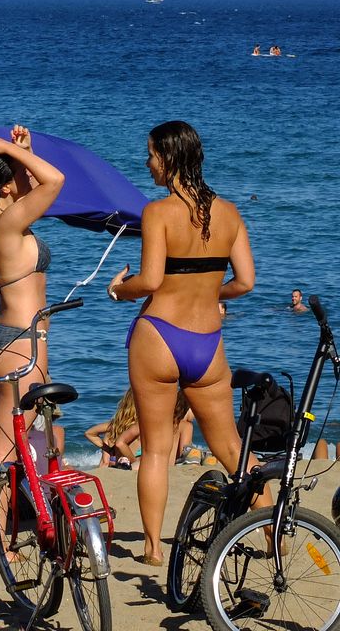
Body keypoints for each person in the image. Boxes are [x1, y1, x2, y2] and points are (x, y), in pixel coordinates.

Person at [106, 120, 270, 566]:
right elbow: (247, 282)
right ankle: (273, 528)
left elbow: (153, 280)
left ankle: (154, 549)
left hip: (159, 334)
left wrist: (121, 289)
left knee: (156, 448)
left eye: (152, 155)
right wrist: (208, 291)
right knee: (233, 446)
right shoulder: (231, 213)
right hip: (207, 342)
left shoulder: (157, 213)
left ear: (170, 158)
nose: (147, 163)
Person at [0, 124, 65, 562]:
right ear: (5, 184)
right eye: (12, 174)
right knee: (8, 451)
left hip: (11, 338)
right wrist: (11, 148)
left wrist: (22, 151)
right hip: (23, 342)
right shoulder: (6, 221)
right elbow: (56, 181)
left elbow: (34, 191)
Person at [84, 388, 193, 469]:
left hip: (120, 463)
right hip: (134, 464)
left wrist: (110, 450)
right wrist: (133, 460)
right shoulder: (142, 425)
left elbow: (89, 433)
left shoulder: (116, 424)